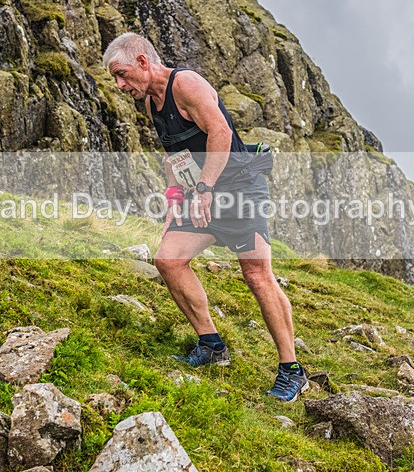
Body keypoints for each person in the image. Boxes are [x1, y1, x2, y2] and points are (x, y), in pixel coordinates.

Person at [103, 32, 308, 402]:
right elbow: (174, 156)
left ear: (143, 62)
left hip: (239, 188)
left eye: (121, 74)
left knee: (257, 275)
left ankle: (292, 370)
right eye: (115, 78)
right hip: (202, 195)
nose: (120, 85)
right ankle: (212, 345)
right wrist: (174, 203)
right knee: (169, 259)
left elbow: (221, 132)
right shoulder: (151, 102)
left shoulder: (187, 84)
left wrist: (204, 190)